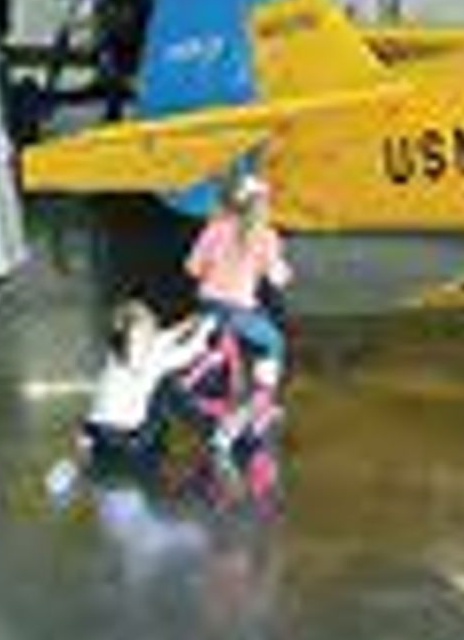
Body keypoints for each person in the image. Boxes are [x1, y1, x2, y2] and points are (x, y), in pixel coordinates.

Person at [45, 300, 207, 499]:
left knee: (96, 462)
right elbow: (188, 352)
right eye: (147, 334)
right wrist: (206, 329)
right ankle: (162, 465)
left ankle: (77, 472)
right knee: (164, 391)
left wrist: (186, 325)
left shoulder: (116, 356)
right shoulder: (150, 363)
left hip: (98, 432)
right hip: (131, 439)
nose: (151, 338)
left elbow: (159, 340)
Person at [186, 167, 292, 384]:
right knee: (274, 343)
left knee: (233, 333)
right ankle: (264, 392)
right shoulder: (264, 236)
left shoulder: (213, 229)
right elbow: (276, 278)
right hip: (237, 308)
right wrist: (283, 273)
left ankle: (215, 361)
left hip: (207, 303)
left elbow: (192, 268)